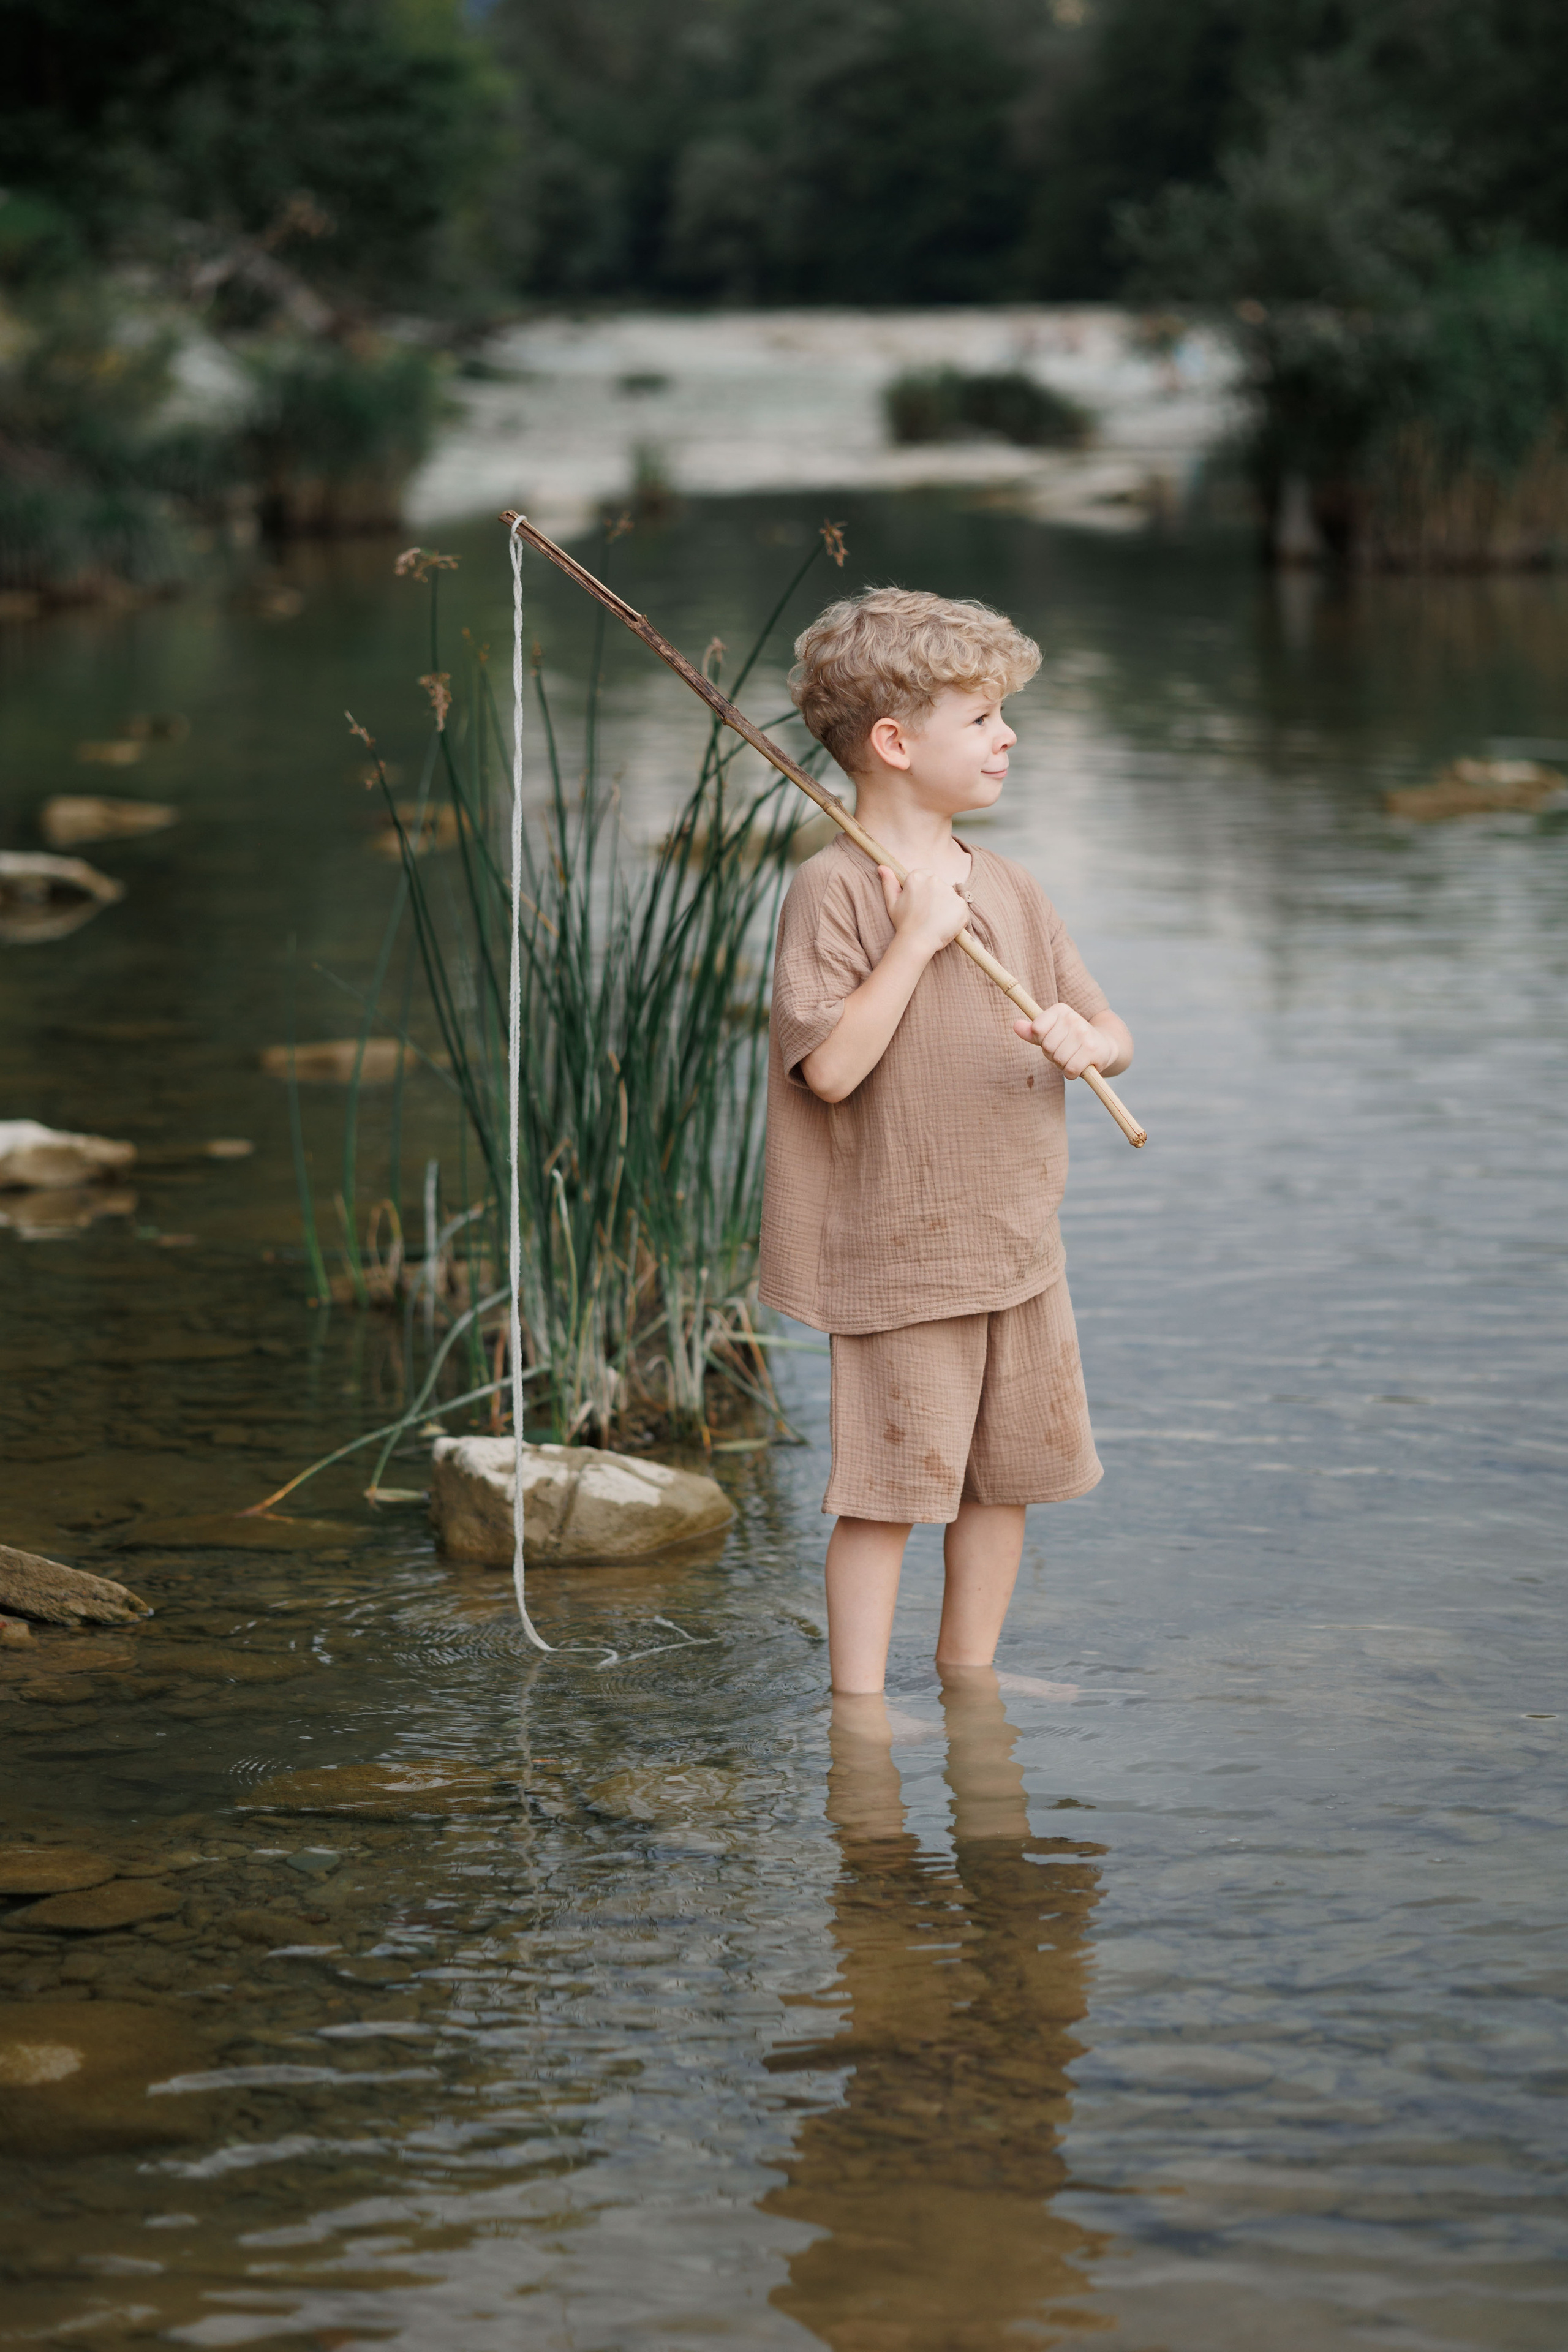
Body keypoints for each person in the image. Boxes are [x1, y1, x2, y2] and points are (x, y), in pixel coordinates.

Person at [759, 587, 1134, 1694]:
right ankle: (862, 1713)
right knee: (890, 1494)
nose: (1007, 735)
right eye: (981, 718)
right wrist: (917, 940)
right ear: (894, 743)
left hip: (1018, 1247)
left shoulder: (1012, 886)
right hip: (900, 1256)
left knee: (1001, 1482)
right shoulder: (834, 892)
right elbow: (828, 1070)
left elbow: (1112, 1030)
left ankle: (970, 1681)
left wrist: (1089, 1042)